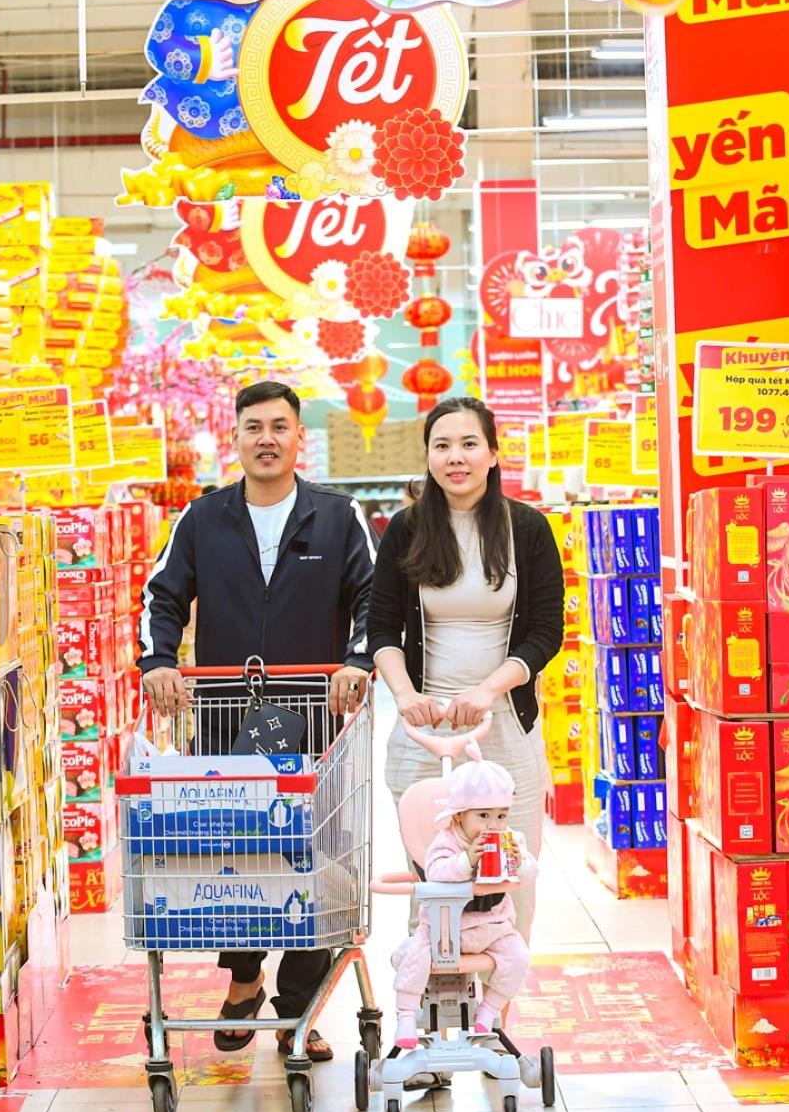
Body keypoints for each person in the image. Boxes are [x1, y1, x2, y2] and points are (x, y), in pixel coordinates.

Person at [137, 380, 376, 1063]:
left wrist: (358, 659)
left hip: (316, 718)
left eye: (279, 425)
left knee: (320, 855)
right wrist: (157, 658)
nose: (266, 438)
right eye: (253, 427)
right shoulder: (202, 517)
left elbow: (371, 595)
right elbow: (162, 593)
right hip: (223, 720)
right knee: (236, 854)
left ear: (301, 437)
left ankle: (300, 1007)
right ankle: (245, 979)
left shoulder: (337, 516)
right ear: (235, 438)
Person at [368, 396, 565, 941]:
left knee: (509, 882)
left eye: (469, 443)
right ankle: (428, 1010)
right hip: (423, 732)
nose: (456, 457)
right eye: (442, 445)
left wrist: (488, 690)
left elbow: (547, 631)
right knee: (432, 879)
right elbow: (381, 628)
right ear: (428, 457)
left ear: (494, 454)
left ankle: (494, 1016)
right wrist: (406, 696)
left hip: (503, 723)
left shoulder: (526, 529)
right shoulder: (406, 530)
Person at [389, 729, 536, 1048]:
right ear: (459, 815)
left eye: (501, 815)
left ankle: (488, 1011)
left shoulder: (508, 837)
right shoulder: (447, 839)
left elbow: (529, 872)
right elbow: (436, 872)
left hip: (492, 927)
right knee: (416, 959)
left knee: (518, 956)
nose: (493, 824)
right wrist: (467, 860)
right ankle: (405, 1018)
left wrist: (518, 862)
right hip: (443, 929)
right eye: (483, 815)